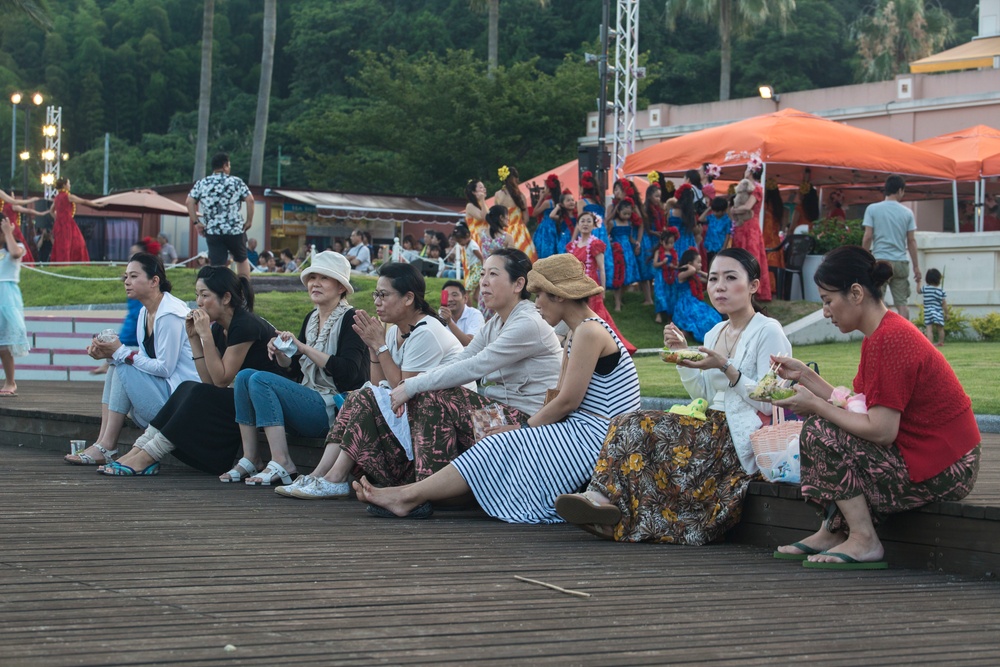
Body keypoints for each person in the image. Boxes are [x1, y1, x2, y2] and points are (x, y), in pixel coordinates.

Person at [353, 253, 641, 523]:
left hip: (597, 434)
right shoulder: (578, 332)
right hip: (581, 429)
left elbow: (567, 401)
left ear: (559, 295)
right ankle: (414, 493)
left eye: (539, 294)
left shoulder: (589, 331)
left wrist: (524, 428)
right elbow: (471, 361)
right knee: (494, 439)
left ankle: (411, 495)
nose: (536, 301)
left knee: (497, 441)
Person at [555, 248, 792, 544]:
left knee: (637, 424)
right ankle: (605, 504)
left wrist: (726, 366)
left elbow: (770, 399)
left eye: (731, 278)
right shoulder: (714, 331)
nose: (719, 286)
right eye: (714, 278)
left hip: (739, 435)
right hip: (708, 425)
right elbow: (702, 393)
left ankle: (604, 502)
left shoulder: (768, 330)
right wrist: (682, 356)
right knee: (627, 422)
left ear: (754, 286)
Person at [772, 246, 980, 568]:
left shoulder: (891, 339)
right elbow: (856, 408)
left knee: (820, 430)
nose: (826, 312)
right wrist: (806, 377)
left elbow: (881, 431)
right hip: (928, 454)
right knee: (824, 426)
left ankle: (864, 539)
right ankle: (833, 530)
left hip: (947, 466)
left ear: (855, 293)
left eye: (828, 301)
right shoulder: (880, 334)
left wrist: (815, 405)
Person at [278, 262, 469, 499]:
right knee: (361, 394)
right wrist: (372, 348)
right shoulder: (394, 331)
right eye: (376, 294)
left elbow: (404, 387)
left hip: (441, 425)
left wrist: (379, 346)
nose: (377, 301)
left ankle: (334, 478)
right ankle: (320, 475)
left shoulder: (426, 331)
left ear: (408, 298)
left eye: (384, 294)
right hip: (411, 413)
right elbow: (380, 387)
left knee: (363, 395)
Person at [98, 266, 282, 476]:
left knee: (196, 394)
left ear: (226, 298)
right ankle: (139, 450)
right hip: (243, 400)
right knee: (190, 387)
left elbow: (221, 381)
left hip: (267, 403)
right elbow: (209, 382)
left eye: (205, 295)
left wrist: (205, 337)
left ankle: (148, 456)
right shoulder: (218, 328)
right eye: (197, 295)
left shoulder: (245, 325)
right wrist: (194, 338)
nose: (199, 302)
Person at [227, 251, 369, 485]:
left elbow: (350, 373)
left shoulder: (350, 319)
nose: (315, 283)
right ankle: (251, 457)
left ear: (341, 287)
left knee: (260, 379)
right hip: (308, 398)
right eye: (312, 278)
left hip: (333, 408)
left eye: (323, 278)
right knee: (244, 376)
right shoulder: (311, 318)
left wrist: (302, 348)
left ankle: (282, 461)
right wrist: (283, 355)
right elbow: (294, 372)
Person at [66, 253, 199, 465]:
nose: (127, 282)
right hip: (163, 396)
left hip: (178, 408)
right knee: (116, 366)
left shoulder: (171, 314)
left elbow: (165, 368)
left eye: (134, 276)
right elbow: (144, 361)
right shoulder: (145, 313)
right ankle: (102, 443)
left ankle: (107, 446)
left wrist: (121, 353)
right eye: (126, 276)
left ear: (154, 281)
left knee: (123, 365)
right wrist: (110, 354)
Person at [566, 211, 636, 354]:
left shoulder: (596, 244)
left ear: (594, 225)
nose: (585, 224)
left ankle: (611, 347)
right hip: (575, 287)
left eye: (588, 221)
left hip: (591, 286)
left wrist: (602, 289)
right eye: (582, 221)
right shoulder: (572, 245)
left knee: (597, 316)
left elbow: (602, 268)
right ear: (578, 225)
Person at [186, 152, 254, 278]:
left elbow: (189, 201)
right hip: (235, 229)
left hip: (213, 230)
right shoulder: (236, 182)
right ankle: (245, 290)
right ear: (225, 165)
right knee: (241, 259)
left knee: (217, 264)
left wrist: (197, 222)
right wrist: (249, 221)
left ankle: (220, 292)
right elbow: (250, 200)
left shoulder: (202, 183)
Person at [862, 175, 920, 320]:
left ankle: (880, 334)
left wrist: (863, 257)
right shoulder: (907, 213)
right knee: (902, 303)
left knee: (877, 301)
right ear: (900, 190)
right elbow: (911, 241)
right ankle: (905, 336)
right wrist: (916, 267)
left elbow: (868, 236)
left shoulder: (872, 209)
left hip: (880, 261)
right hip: (900, 262)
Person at [728, 164, 773, 301]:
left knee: (751, 256)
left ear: (752, 171)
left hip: (751, 226)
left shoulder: (757, 189)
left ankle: (754, 290)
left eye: (748, 169)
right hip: (742, 226)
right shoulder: (746, 187)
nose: (745, 171)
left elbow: (748, 207)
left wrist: (734, 210)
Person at [0, 217, 29, 396]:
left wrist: (9, 233)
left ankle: (10, 382)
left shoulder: (14, 247)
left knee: (4, 344)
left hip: (6, 297)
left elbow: (16, 254)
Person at [48, 178, 105, 263]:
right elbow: (84, 201)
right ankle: (71, 263)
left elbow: (51, 211)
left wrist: (58, 219)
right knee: (77, 244)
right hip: (67, 224)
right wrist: (97, 205)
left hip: (59, 225)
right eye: (69, 183)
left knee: (62, 245)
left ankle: (64, 262)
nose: (70, 185)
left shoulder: (56, 198)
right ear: (64, 185)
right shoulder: (68, 196)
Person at [672, 248, 722, 343]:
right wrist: (692, 268)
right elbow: (692, 270)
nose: (701, 264)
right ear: (690, 263)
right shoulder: (680, 275)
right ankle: (687, 333)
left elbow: (711, 279)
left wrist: (699, 272)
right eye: (698, 262)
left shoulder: (694, 276)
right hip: (685, 305)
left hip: (695, 302)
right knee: (699, 319)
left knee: (714, 316)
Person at [494, 165, 537, 262]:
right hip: (519, 231)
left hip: (502, 231)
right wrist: (519, 227)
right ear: (514, 179)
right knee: (523, 259)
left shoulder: (498, 195)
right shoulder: (520, 196)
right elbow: (526, 218)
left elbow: (495, 216)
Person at [607, 198, 641, 312]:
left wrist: (636, 243)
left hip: (628, 253)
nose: (627, 216)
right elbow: (606, 236)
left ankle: (619, 298)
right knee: (619, 277)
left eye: (629, 214)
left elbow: (630, 237)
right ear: (618, 211)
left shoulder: (629, 223)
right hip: (617, 253)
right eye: (624, 213)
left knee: (627, 278)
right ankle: (617, 304)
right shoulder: (613, 223)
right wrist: (611, 245)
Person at [438, 280, 484, 346]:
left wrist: (449, 322)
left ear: (465, 298)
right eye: (446, 296)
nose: (450, 299)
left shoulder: (475, 314)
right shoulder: (441, 316)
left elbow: (470, 344)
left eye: (454, 295)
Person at [652, 227, 680, 324]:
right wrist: (662, 263)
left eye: (672, 243)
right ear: (661, 241)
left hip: (671, 276)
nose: (670, 245)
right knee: (659, 294)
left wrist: (674, 266)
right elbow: (654, 264)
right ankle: (658, 314)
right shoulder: (658, 252)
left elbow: (677, 265)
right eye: (667, 243)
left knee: (671, 295)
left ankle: (670, 316)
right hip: (660, 276)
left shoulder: (674, 253)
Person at [453, 223, 483, 304]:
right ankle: (483, 308)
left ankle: (469, 311)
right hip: (473, 269)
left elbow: (481, 258)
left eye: (460, 241)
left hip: (477, 270)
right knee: (475, 296)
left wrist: (484, 269)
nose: (460, 243)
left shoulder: (472, 246)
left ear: (467, 236)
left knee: (466, 291)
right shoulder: (468, 245)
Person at [701, 196, 732, 267]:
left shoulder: (727, 220)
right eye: (713, 210)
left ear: (724, 211)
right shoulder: (711, 217)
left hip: (719, 246)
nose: (715, 213)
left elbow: (728, 234)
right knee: (710, 264)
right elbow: (701, 219)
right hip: (710, 246)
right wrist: (709, 208)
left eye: (717, 211)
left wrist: (724, 247)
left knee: (718, 265)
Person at [919, 268, 947, 346]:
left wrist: (918, 282)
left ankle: (930, 344)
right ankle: (941, 342)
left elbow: (918, 291)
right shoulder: (941, 291)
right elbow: (944, 303)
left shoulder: (925, 288)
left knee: (929, 328)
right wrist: (947, 313)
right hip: (938, 311)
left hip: (928, 311)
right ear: (938, 280)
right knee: (940, 328)